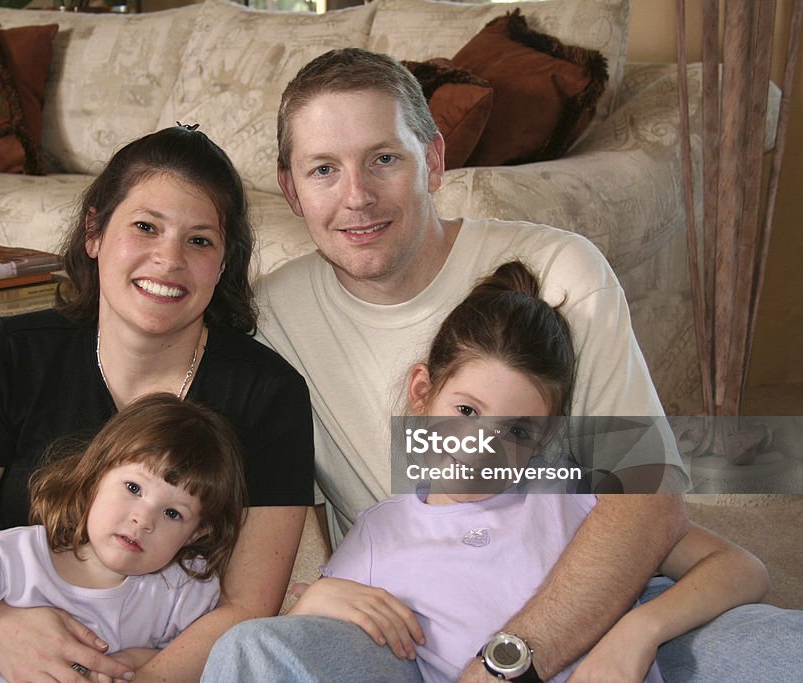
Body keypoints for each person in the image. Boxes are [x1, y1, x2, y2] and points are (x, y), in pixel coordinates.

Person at [203, 48, 800, 682]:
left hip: (595, 604)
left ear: (432, 161)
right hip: (412, 638)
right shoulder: (269, 318)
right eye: (324, 169)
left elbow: (645, 499)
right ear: (290, 188)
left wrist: (514, 661)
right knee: (255, 656)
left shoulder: (560, 269)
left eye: (384, 159)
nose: (357, 197)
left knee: (778, 649)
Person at [205, 261, 769, 683]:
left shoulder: (575, 497)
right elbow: (317, 635)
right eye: (467, 412)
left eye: (516, 431)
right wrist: (317, 601)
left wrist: (638, 632)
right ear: (423, 393)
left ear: (544, 439)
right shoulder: (380, 532)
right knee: (248, 648)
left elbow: (740, 567)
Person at [0, 125, 314, 683]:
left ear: (224, 262)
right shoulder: (14, 354)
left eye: (199, 240)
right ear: (94, 231)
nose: (168, 260)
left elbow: (246, 608)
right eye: (145, 227)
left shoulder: (269, 395)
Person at [0, 393, 245, 682]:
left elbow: (201, 666)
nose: (143, 519)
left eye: (173, 513)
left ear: (197, 532)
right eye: (133, 487)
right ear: (94, 479)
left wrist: (137, 661)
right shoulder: (5, 562)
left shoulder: (179, 595)